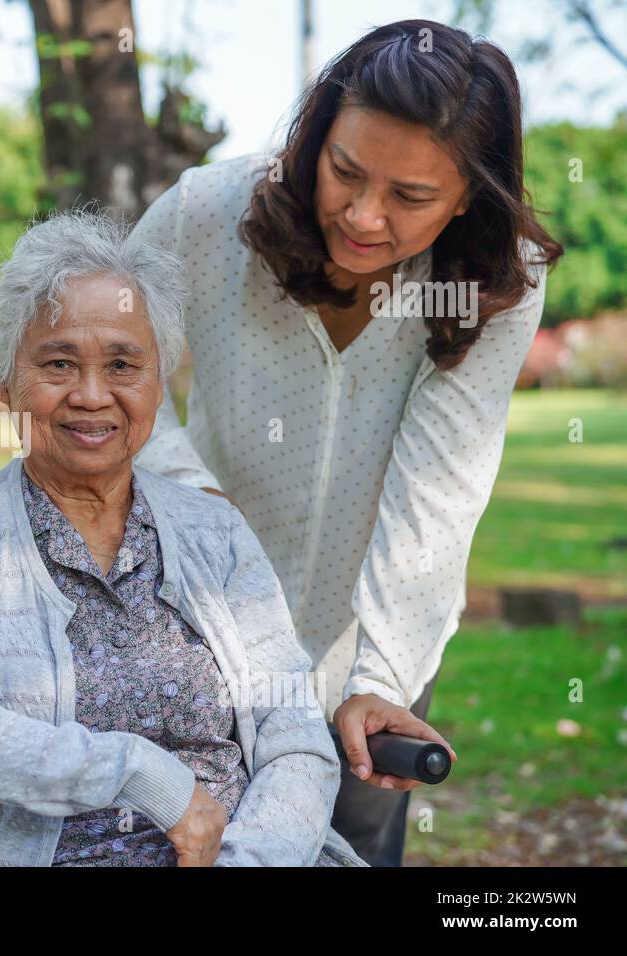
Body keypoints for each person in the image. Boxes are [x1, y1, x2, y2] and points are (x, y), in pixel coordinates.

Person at [129, 19, 562, 865]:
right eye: (345, 172)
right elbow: (108, 371)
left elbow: (438, 489)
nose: (363, 217)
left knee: (347, 851)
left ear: (469, 195)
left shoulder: (499, 280)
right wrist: (188, 497)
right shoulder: (209, 212)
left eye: (410, 197)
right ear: (317, 136)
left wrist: (380, 681)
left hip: (372, 630)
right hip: (194, 614)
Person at [0, 207, 367, 866]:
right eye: (57, 364)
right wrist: (141, 774)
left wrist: (250, 861)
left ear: (156, 381)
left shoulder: (214, 531)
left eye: (121, 364)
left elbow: (295, 738)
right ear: (6, 381)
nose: (91, 395)